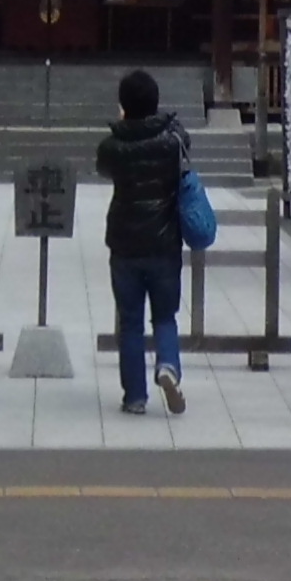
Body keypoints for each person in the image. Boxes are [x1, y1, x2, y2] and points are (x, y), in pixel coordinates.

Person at [94, 64, 189, 415]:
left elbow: (103, 168)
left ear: (123, 105)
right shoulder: (172, 140)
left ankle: (134, 396)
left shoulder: (112, 147)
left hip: (124, 242)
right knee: (165, 316)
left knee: (130, 320)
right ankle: (168, 365)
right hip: (164, 240)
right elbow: (183, 141)